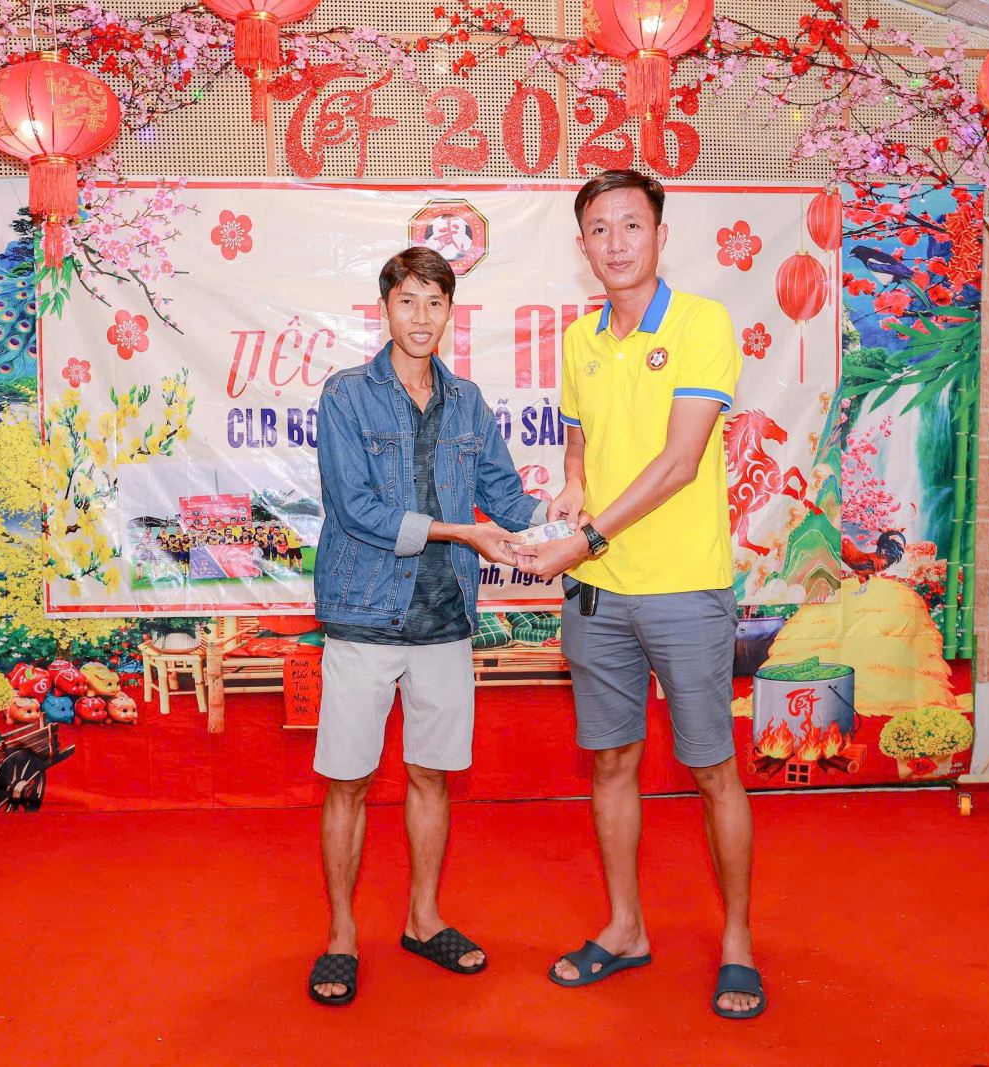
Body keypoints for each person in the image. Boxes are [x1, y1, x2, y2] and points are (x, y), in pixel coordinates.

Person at [515, 170, 764, 1020]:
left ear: (660, 235)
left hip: (684, 587)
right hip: (597, 595)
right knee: (612, 762)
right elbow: (580, 443)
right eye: (599, 228)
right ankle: (625, 928)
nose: (616, 242)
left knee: (712, 768)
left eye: (631, 224)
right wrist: (572, 489)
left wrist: (584, 538)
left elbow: (680, 462)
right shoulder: (579, 338)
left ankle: (737, 942)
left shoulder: (701, 323)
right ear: (581, 245)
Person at [307, 246, 549, 1006]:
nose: (421, 317)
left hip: (446, 619)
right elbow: (356, 509)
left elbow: (507, 498)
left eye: (434, 303)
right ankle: (341, 934)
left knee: (431, 774)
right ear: (385, 307)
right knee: (348, 781)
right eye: (407, 301)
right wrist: (461, 532)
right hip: (363, 615)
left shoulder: (468, 402)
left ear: (450, 312)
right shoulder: (346, 395)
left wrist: (567, 521)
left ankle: (423, 918)